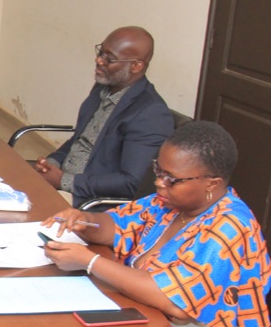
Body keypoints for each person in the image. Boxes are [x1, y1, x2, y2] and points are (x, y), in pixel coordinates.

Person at [42, 121, 271, 327]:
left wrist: (89, 261)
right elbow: (118, 226)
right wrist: (85, 221)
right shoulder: (169, 203)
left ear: (211, 183)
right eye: (158, 171)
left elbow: (175, 303)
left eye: (171, 179)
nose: (159, 183)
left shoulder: (228, 229)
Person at [34, 26, 174, 207]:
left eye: (109, 58)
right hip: (64, 183)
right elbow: (79, 140)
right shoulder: (104, 86)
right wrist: (51, 163)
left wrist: (64, 181)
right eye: (100, 52)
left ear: (136, 66)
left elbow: (131, 182)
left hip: (89, 201)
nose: (99, 60)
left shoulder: (150, 113)